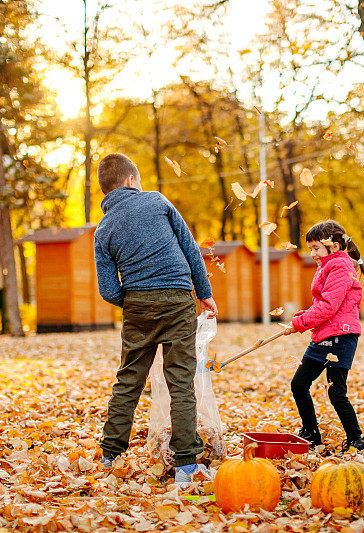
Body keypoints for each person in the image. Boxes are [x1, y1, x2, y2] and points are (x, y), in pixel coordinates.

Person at [93, 153, 218, 489]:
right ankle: (186, 467)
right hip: (178, 301)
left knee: (128, 381)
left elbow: (108, 290)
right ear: (132, 180)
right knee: (180, 381)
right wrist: (203, 293)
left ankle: (109, 454)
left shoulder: (103, 229)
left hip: (137, 307)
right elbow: (190, 248)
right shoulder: (157, 201)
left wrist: (134, 300)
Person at [284, 220, 364, 453]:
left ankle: (356, 440)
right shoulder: (328, 266)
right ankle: (311, 432)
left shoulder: (340, 267)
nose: (312, 253)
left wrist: (300, 322)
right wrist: (302, 318)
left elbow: (328, 306)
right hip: (324, 334)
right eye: (311, 248)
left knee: (336, 392)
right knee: (299, 384)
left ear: (334, 246)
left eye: (316, 248)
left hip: (341, 337)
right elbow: (323, 304)